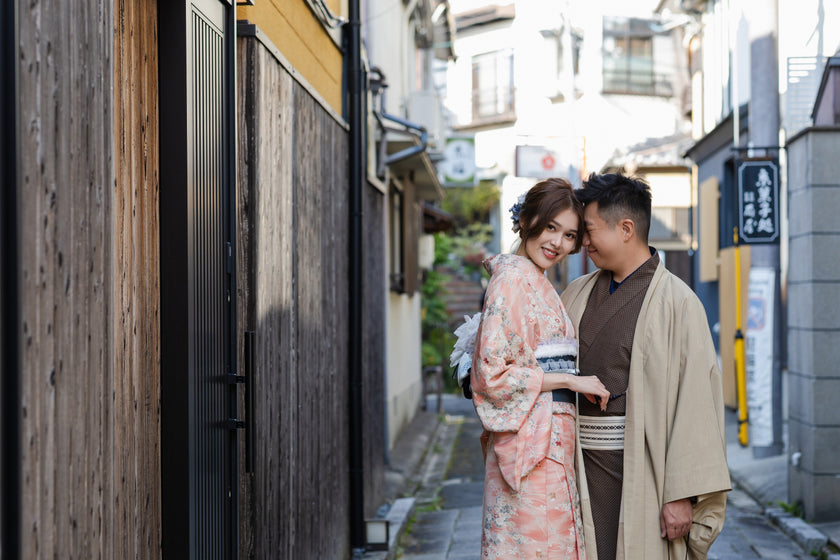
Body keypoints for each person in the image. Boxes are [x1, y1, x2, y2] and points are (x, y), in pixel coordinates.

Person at [560, 173, 730, 560]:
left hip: (643, 471)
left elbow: (696, 404)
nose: (583, 243)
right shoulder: (576, 293)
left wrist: (681, 495)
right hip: (575, 469)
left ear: (626, 228)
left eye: (589, 231)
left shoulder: (679, 303)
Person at [468, 178, 611, 559]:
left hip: (549, 439)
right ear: (526, 218)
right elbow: (490, 375)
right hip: (533, 444)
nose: (558, 243)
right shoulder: (512, 279)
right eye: (550, 227)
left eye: (569, 235)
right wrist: (568, 379)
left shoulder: (536, 282)